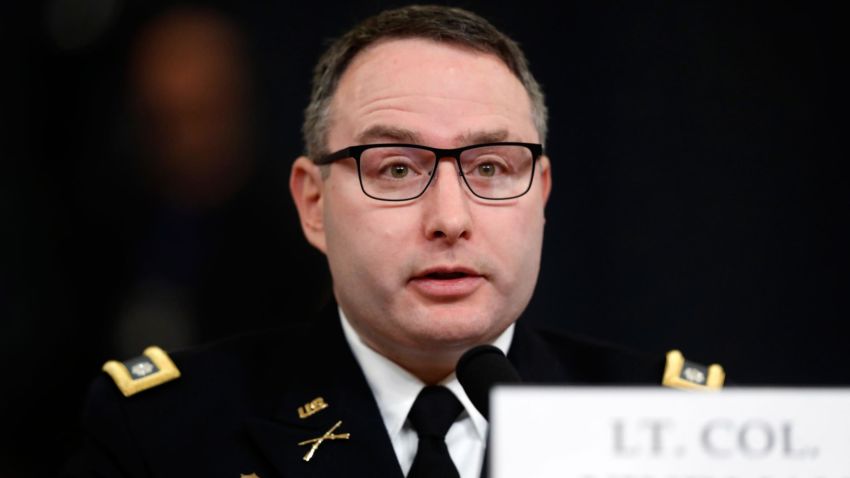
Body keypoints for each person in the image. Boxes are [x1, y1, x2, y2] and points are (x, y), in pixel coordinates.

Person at [66, 5, 721, 478]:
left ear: (541, 195)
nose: (449, 218)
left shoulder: (672, 432)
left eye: (490, 167)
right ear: (314, 204)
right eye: (397, 169)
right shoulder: (163, 435)